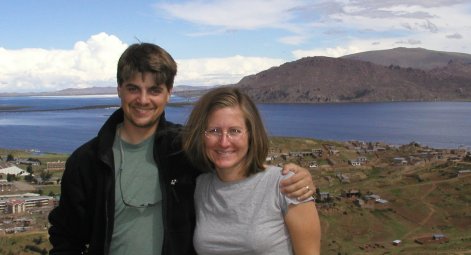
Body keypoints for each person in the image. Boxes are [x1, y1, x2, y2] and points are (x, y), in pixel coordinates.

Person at [48, 42, 316, 255]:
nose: (143, 100)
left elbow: (235, 163)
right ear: (119, 89)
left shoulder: (185, 149)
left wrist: (296, 177)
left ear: (169, 93)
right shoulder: (87, 161)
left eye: (154, 90)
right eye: (133, 88)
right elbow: (66, 238)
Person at [182, 87, 321, 255]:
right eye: (214, 131)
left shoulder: (287, 185)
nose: (224, 142)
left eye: (234, 131)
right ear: (201, 136)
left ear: (251, 135)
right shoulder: (200, 186)